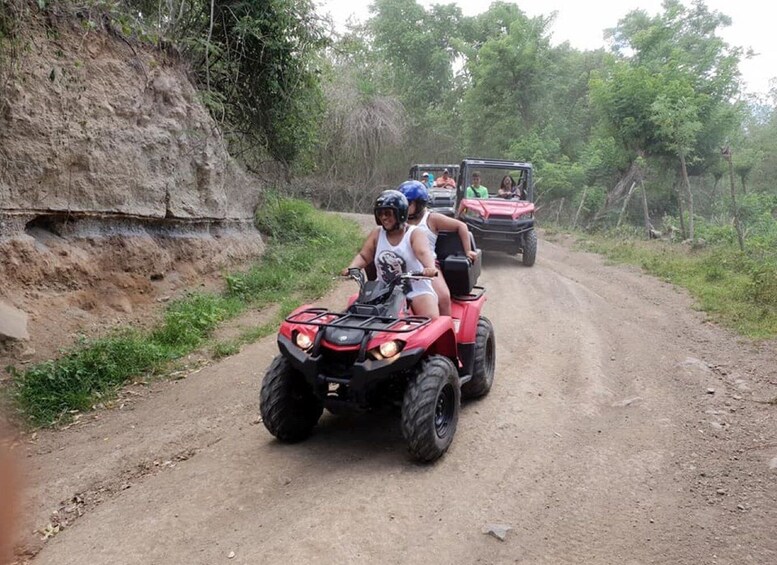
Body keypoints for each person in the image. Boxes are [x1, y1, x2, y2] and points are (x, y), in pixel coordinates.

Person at [342, 190, 439, 318]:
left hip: (415, 289)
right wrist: (352, 268)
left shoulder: (415, 233)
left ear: (401, 213)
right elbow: (364, 256)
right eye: (380, 213)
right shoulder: (377, 233)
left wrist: (429, 268)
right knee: (354, 316)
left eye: (388, 213)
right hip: (382, 290)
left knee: (431, 320)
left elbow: (423, 252)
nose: (383, 217)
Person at [398, 180, 478, 317]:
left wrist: (468, 251)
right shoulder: (398, 220)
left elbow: (461, 226)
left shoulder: (431, 219)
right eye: (403, 202)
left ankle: (447, 332)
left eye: (409, 203)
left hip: (428, 266)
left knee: (443, 297)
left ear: (419, 203)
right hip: (401, 265)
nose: (405, 206)